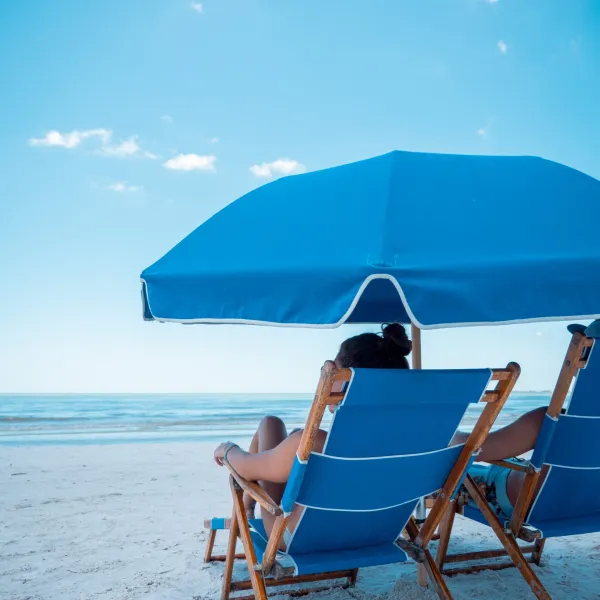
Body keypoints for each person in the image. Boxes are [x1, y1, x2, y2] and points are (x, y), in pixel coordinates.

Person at [213, 323, 548, 538]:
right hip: (378, 531)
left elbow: (248, 467)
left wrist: (227, 450)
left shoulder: (311, 443)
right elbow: (504, 436)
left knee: (271, 426)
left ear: (340, 380)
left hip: (294, 536)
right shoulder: (433, 444)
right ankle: (245, 507)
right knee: (279, 432)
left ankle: (245, 509)